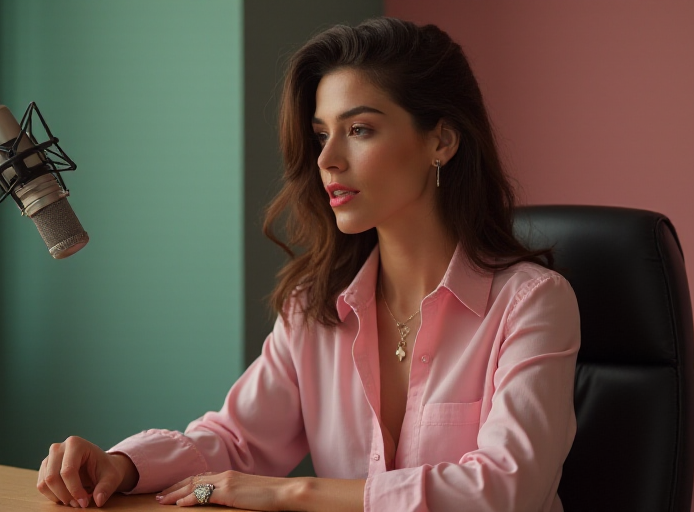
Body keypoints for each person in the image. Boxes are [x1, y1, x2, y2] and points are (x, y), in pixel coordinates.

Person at [36, 17, 580, 512]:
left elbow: (509, 489)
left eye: (359, 129)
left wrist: (289, 492)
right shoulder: (314, 307)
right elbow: (235, 441)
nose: (327, 160)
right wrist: (123, 466)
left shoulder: (532, 303)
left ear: (441, 139)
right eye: (322, 134)